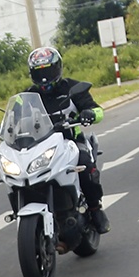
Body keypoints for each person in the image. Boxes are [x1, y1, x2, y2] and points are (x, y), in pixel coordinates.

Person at [24, 45, 109, 233]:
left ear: (58, 68)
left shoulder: (72, 88)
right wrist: (0, 127)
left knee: (85, 165)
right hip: (40, 146)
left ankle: (95, 208)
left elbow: (98, 110)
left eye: (48, 71)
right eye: (39, 72)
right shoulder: (28, 96)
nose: (44, 77)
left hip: (71, 141)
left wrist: (89, 114)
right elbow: (16, 117)